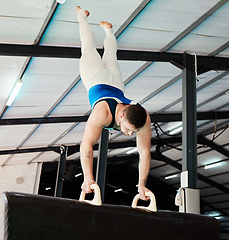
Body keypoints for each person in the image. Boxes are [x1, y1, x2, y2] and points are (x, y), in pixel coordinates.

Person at [77, 6, 152, 200]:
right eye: (128, 130)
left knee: (111, 55)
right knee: (87, 46)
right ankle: (82, 17)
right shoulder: (103, 113)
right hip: (95, 78)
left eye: (132, 132)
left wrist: (141, 184)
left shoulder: (142, 117)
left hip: (116, 83)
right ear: (121, 115)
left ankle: (109, 31)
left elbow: (144, 153)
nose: (128, 134)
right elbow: (86, 144)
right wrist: (88, 178)